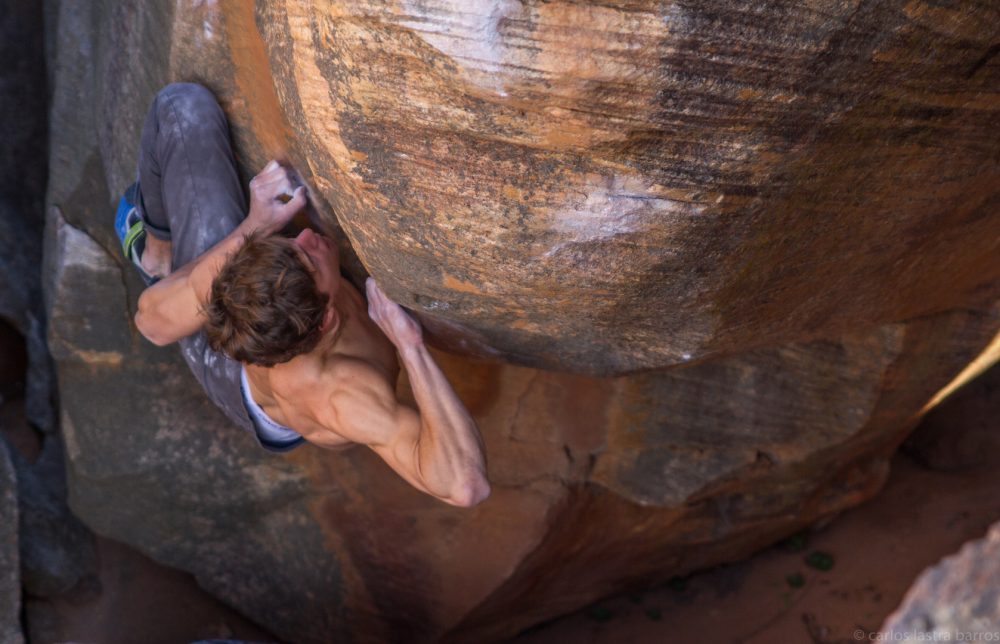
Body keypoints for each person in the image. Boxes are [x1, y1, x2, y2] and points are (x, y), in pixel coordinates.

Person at [115, 83, 490, 507]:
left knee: (183, 106)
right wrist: (411, 346)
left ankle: (188, 263)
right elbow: (464, 486)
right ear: (328, 319)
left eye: (294, 247)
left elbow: (152, 321)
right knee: (180, 110)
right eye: (309, 258)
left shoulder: (251, 293)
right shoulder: (340, 396)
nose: (308, 235)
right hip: (239, 376)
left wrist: (259, 224)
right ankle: (156, 255)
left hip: (250, 325)